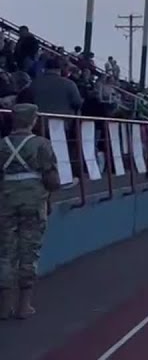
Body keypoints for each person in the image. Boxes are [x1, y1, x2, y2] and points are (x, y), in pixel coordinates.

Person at [0, 104, 62, 319]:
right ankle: (23, 306)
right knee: (29, 250)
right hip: (34, 202)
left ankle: (3, 306)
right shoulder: (41, 144)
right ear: (32, 120)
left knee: (5, 252)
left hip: (6, 201)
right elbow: (52, 180)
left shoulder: (2, 145)